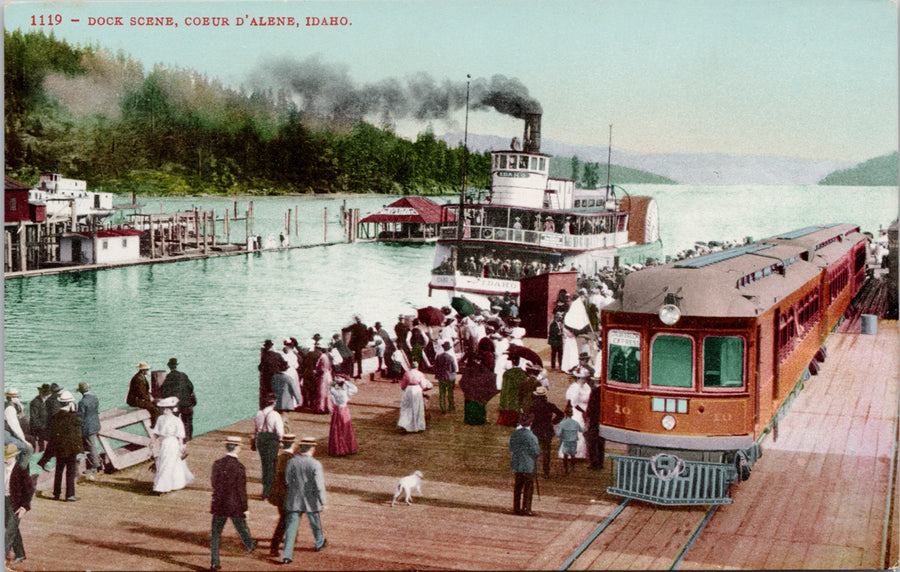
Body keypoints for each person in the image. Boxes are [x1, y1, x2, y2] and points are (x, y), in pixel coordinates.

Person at [209, 436, 257, 571]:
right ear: (237, 447)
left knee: (216, 534)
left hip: (219, 503)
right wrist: (245, 508)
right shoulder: (239, 467)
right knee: (241, 527)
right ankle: (249, 544)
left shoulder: (217, 463)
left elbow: (214, 483)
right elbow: (241, 490)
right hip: (235, 504)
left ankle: (214, 562)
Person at [281, 436, 327, 563]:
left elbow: (287, 480)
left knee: (291, 528)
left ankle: (286, 555)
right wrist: (323, 501)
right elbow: (319, 485)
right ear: (312, 448)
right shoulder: (315, 464)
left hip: (294, 498)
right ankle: (319, 543)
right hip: (311, 499)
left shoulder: (292, 461)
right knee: (315, 523)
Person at [151, 396, 194, 494]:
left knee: (167, 463)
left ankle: (163, 486)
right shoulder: (173, 420)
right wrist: (181, 446)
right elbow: (180, 436)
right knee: (169, 463)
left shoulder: (163, 419)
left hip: (169, 442)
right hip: (169, 442)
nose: (165, 411)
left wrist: (153, 441)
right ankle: (171, 484)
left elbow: (156, 433)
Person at [46, 390, 82, 501]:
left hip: (59, 448)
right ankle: (70, 494)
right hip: (71, 449)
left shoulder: (55, 417)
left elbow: (51, 435)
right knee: (70, 471)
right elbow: (77, 435)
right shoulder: (74, 417)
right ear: (70, 403)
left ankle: (56, 493)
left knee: (59, 470)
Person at [267, 434, 297, 557]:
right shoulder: (294, 460)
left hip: (278, 495)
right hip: (289, 496)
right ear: (293, 445)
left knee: (286, 519)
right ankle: (275, 547)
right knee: (285, 521)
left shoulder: (277, 458)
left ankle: (288, 542)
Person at [5, 442, 34, 565]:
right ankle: (20, 554)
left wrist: (24, 507)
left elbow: (29, 490)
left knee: (9, 532)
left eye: (7, 458)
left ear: (13, 457)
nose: (5, 460)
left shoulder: (20, 470)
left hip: (16, 504)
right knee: (12, 528)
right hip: (4, 501)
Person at [527, 386, 564, 478]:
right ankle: (546, 471)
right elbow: (561, 414)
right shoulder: (549, 405)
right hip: (547, 429)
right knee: (547, 451)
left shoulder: (532, 406)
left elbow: (527, 417)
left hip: (536, 429)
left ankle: (533, 470)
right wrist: (553, 422)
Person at [508, 412, 541, 516]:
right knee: (528, 487)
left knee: (517, 487)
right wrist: (537, 456)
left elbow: (511, 447)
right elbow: (536, 451)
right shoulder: (531, 436)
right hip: (528, 465)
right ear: (530, 423)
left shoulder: (514, 434)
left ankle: (516, 508)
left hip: (517, 464)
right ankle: (526, 508)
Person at [253, 397, 284, 501]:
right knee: (271, 465)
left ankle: (265, 491)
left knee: (265, 464)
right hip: (271, 439)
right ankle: (268, 492)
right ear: (273, 403)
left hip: (261, 438)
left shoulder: (258, 414)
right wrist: (280, 441)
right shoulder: (275, 415)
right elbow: (280, 431)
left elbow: (256, 428)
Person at [160, 357, 197, 441]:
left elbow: (164, 391)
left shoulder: (169, 377)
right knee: (187, 422)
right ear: (176, 366)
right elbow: (191, 387)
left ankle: (178, 438)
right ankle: (188, 438)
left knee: (174, 421)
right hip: (186, 403)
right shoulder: (183, 375)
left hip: (176, 404)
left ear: (169, 367)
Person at [562, 373, 591, 459]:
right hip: (577, 411)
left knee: (583, 431)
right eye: (582, 378)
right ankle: (573, 452)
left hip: (585, 408)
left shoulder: (587, 387)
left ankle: (581, 453)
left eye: (585, 378)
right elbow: (573, 403)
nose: (584, 380)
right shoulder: (574, 387)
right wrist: (582, 412)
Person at [397, 362, 432, 433]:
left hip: (408, 390)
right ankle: (418, 425)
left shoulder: (407, 374)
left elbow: (403, 385)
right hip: (417, 390)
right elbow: (423, 386)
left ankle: (406, 424)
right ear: (417, 367)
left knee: (407, 407)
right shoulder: (420, 374)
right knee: (417, 408)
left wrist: (406, 389)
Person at [327, 376, 358, 456]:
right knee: (345, 429)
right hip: (344, 410)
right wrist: (346, 382)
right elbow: (355, 389)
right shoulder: (345, 391)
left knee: (338, 429)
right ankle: (348, 447)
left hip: (337, 410)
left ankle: (339, 449)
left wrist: (335, 382)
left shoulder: (335, 391)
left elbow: (330, 387)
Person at [76, 382, 102, 475]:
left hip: (88, 428)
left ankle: (95, 466)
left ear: (80, 392)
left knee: (91, 447)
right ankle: (98, 462)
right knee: (93, 445)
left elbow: (80, 417)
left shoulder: (82, 402)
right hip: (96, 424)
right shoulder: (94, 397)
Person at [497, 356, 527, 426]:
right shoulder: (523, 374)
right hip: (517, 398)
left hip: (508, 398)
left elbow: (504, 388)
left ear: (512, 363)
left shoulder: (507, 373)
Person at [584, 378, 605, 470]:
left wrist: (588, 416)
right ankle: (600, 462)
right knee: (601, 442)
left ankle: (593, 462)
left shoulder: (595, 391)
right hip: (603, 420)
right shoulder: (605, 391)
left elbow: (590, 407)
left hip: (594, 420)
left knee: (592, 442)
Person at [556, 405, 584, 475]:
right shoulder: (575, 423)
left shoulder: (563, 423)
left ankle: (566, 469)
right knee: (573, 454)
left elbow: (559, 433)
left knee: (565, 455)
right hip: (573, 440)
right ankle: (573, 467)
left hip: (565, 440)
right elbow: (581, 430)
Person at [433, 341, 458, 414]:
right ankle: (451, 406)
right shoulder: (451, 357)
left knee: (442, 393)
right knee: (450, 393)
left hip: (441, 377)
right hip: (450, 377)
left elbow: (435, 367)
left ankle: (442, 407)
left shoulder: (439, 357)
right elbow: (454, 368)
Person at [311, 345, 336, 415]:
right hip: (328, 375)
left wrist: (316, 372)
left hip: (323, 376)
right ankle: (328, 406)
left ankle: (321, 408)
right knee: (328, 392)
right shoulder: (328, 356)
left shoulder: (322, 357)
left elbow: (321, 369)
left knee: (322, 392)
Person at [258, 340, 281, 408]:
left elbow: (260, 367)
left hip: (267, 376)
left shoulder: (265, 356)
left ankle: (266, 404)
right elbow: (284, 364)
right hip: (276, 375)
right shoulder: (277, 355)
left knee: (267, 391)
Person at [28, 385, 51, 452]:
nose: (47, 396)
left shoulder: (45, 401)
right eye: (46, 395)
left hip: (43, 426)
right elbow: (34, 418)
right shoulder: (35, 402)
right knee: (40, 445)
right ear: (41, 393)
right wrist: (43, 427)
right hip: (37, 428)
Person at [347, 315, 369, 379]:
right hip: (360, 345)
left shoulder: (354, 326)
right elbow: (366, 335)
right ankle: (359, 373)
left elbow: (345, 329)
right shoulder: (364, 326)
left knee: (352, 360)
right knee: (359, 360)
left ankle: (351, 374)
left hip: (354, 345)